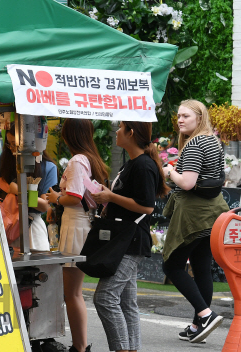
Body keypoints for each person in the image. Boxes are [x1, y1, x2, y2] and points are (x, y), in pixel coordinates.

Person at [89, 121, 170, 352]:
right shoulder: (133, 163)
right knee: (126, 302)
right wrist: (107, 198)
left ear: (131, 133)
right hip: (126, 238)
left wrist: (111, 198)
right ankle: (130, 348)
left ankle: (122, 349)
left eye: (120, 127)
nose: (116, 131)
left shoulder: (143, 165)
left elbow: (146, 207)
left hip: (130, 240)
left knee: (104, 298)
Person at [161, 99, 228, 344]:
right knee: (201, 267)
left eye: (186, 116)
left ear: (199, 118)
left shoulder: (195, 143)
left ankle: (206, 315)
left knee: (172, 266)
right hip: (214, 212)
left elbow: (187, 183)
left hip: (194, 214)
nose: (180, 120)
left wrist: (169, 171)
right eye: (178, 115)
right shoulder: (212, 140)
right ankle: (197, 325)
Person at [45, 119, 108, 352]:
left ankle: (80, 347)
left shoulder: (76, 161)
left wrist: (55, 199)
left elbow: (74, 197)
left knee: (71, 293)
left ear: (69, 135)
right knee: (73, 292)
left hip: (76, 227)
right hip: (79, 226)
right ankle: (80, 346)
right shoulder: (89, 158)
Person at [0, 122, 58, 251]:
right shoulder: (5, 159)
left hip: (31, 227)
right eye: (9, 144)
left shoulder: (48, 167)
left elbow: (44, 205)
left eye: (15, 145)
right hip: (5, 222)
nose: (11, 148)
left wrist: (18, 191)